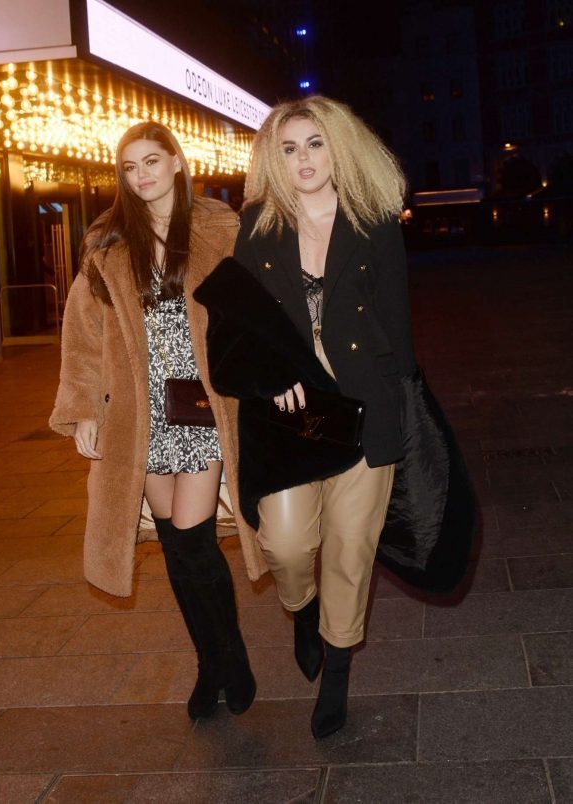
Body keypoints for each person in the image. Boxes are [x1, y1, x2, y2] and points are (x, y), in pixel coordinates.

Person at [194, 94, 417, 740]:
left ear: (338, 147)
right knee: (287, 545)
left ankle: (337, 669)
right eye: (289, 149)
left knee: (350, 547)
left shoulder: (375, 222)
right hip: (287, 419)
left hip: (364, 410)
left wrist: (404, 416)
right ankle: (302, 609)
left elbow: (398, 328)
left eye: (315, 144)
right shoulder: (260, 223)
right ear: (275, 159)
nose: (304, 160)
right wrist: (270, 377)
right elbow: (237, 325)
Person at [49, 121, 256, 721]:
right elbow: (83, 335)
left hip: (204, 405)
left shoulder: (219, 228)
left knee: (194, 538)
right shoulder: (107, 241)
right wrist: (82, 410)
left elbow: (254, 313)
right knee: (174, 545)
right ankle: (209, 664)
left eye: (151, 162)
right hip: (142, 413)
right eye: (130, 167)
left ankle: (232, 660)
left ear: (177, 162)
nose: (140, 176)